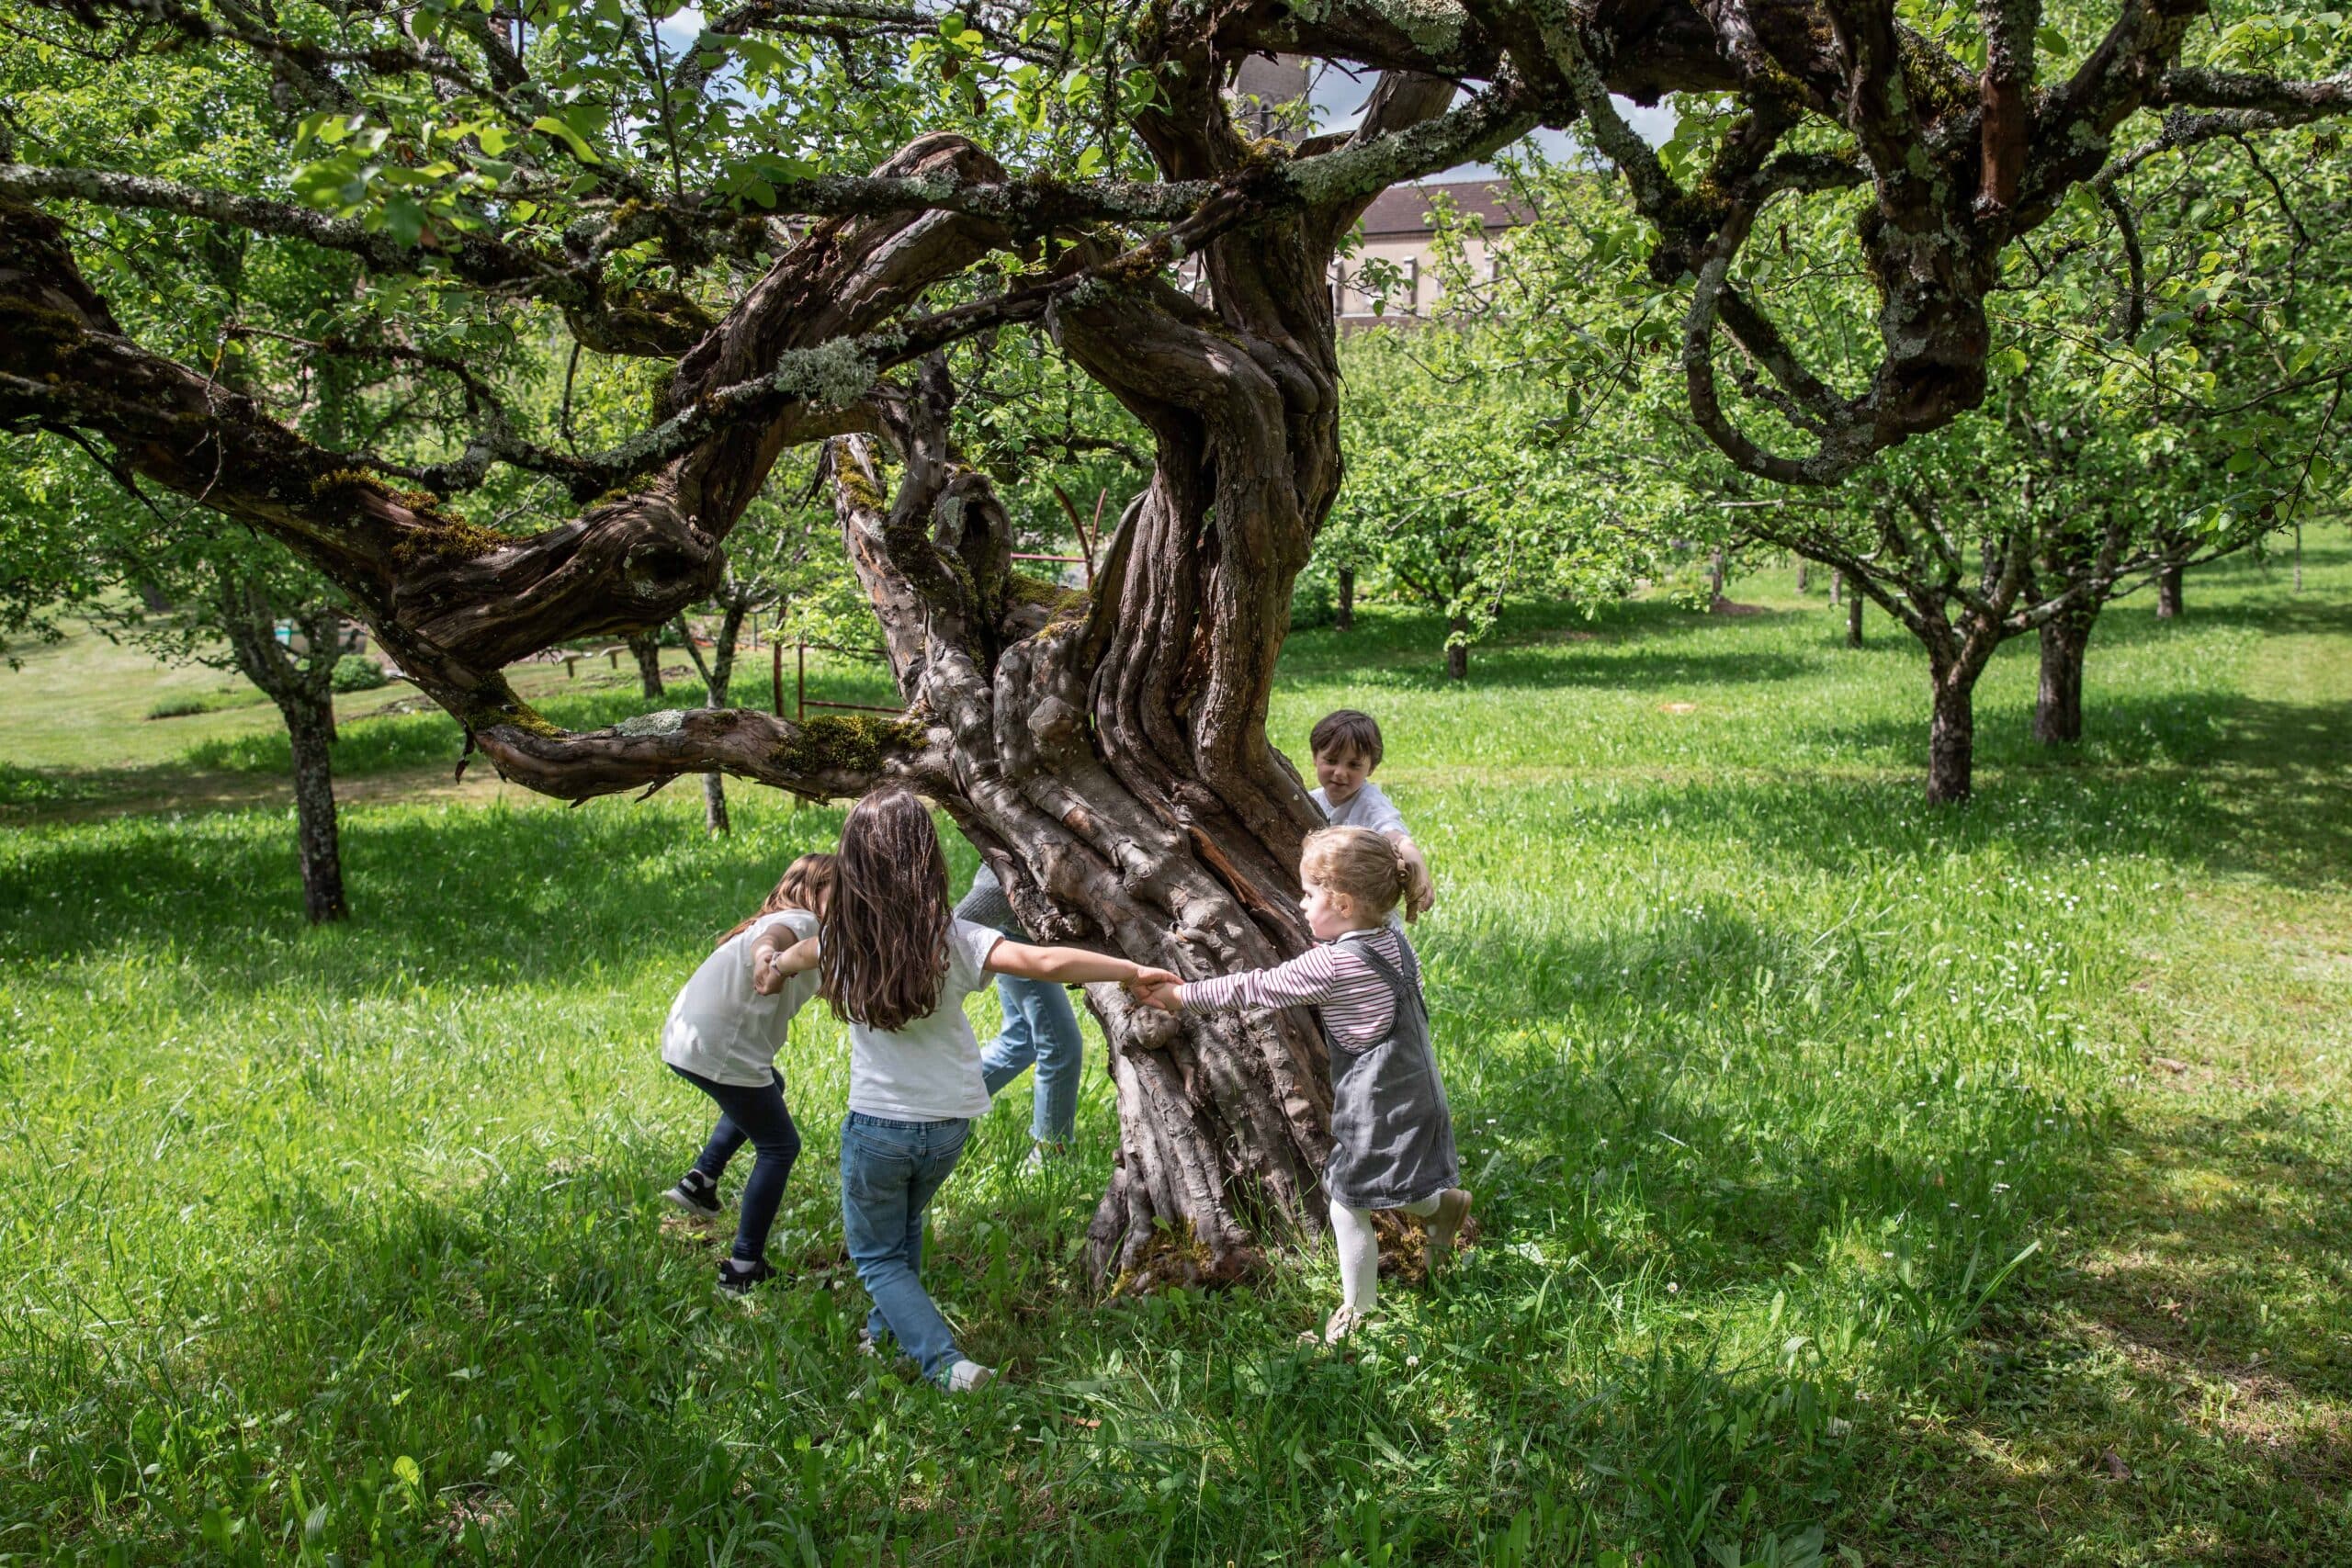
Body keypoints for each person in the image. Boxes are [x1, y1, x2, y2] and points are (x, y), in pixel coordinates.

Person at [759, 789, 1178, 1392]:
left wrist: (767, 960)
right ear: (926, 861)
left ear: (852, 863)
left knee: (876, 1255)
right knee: (903, 1231)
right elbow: (1045, 963)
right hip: (948, 1128)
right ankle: (884, 1336)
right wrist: (1130, 969)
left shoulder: (838, 940)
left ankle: (944, 1362)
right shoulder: (951, 937)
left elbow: (789, 957)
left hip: (878, 1128)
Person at [1136, 826, 1469, 1343]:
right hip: (1420, 1090)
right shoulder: (1394, 940)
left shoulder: (1334, 962)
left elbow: (1257, 986)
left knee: (1349, 1201)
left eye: (1310, 894)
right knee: (1391, 1183)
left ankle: (1360, 1313)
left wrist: (1183, 997)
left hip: (1377, 1100)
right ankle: (1443, 1206)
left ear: (1341, 901)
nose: (1301, 902)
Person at [660, 853, 835, 1295]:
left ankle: (701, 1180)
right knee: (780, 1146)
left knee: (771, 1087)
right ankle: (743, 1267)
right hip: (724, 1048)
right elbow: (773, 941)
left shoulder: (798, 924)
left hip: (689, 1040)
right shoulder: (799, 920)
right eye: (844, 889)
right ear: (814, 890)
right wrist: (767, 961)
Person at [957, 863, 1085, 1162]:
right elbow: (960, 923)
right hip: (1017, 942)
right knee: (1061, 1045)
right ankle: (1050, 1156)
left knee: (1021, 1040)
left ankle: (937, 1101)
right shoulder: (1005, 868)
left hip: (1024, 938)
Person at [1306, 709, 1434, 916]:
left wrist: (1420, 876)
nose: (1340, 772)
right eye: (1331, 761)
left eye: (1354, 765)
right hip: (1330, 909)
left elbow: (1398, 839)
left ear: (1371, 768)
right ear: (1315, 757)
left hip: (1368, 916)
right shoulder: (1308, 800)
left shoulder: (1371, 805)